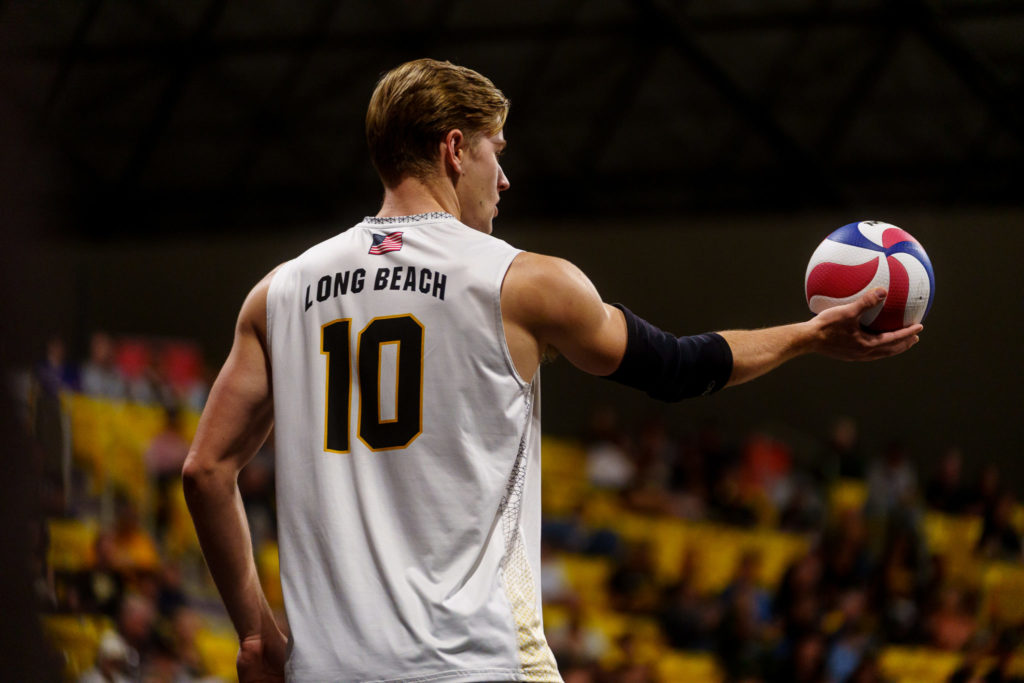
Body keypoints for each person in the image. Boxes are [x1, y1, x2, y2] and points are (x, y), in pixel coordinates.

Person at [183, 58, 922, 683]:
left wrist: (257, 630)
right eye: (495, 152)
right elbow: (677, 366)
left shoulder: (280, 291)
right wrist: (806, 338)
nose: (502, 178)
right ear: (453, 149)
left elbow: (206, 470)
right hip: (472, 662)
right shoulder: (522, 282)